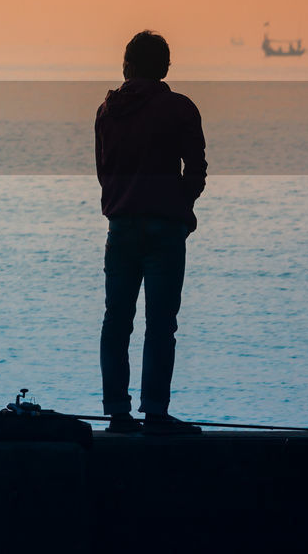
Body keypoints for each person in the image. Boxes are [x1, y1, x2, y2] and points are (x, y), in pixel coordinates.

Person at [95, 31, 206, 435]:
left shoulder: (107, 111)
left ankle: (117, 413)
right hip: (164, 228)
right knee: (161, 324)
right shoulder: (179, 109)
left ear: (128, 65)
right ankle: (155, 412)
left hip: (121, 227)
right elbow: (196, 169)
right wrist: (180, 208)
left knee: (116, 321)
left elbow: (103, 171)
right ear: (164, 69)